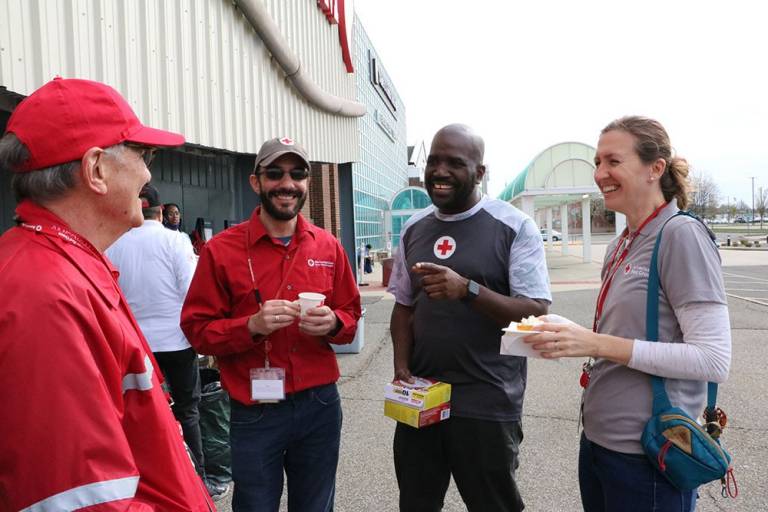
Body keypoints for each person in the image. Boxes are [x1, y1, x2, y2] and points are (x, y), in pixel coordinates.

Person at [0, 77, 214, 511]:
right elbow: (81, 500)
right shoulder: (44, 293)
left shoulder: (64, 264)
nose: (150, 174)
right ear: (96, 169)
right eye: (143, 154)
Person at [524, 116, 731, 511]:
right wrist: (570, 335)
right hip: (601, 444)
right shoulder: (623, 243)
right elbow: (628, 336)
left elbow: (713, 359)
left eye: (613, 161)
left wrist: (596, 341)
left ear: (656, 168)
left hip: (650, 456)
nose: (600, 173)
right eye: (597, 163)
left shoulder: (680, 235)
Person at [181, 136, 362, 512]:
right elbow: (197, 331)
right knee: (255, 505)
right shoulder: (221, 251)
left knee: (315, 505)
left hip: (319, 404)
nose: (287, 183)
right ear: (256, 182)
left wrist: (332, 322)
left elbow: (351, 316)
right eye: (275, 173)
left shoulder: (328, 247)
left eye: (298, 174)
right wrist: (251, 326)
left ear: (307, 183)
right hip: (255, 405)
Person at [387, 124, 551, 512]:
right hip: (423, 394)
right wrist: (400, 366)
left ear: (479, 173)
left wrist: (468, 290)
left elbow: (536, 311)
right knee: (416, 502)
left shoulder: (513, 227)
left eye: (454, 163)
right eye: (434, 161)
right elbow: (403, 306)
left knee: (493, 505)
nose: (440, 171)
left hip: (487, 399)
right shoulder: (414, 228)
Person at [105, 184, 229, 497]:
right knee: (188, 411)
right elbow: (192, 290)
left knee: (142, 417)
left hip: (135, 347)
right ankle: (198, 484)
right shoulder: (175, 240)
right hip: (176, 341)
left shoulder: (113, 243)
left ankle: (149, 487)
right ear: (161, 211)